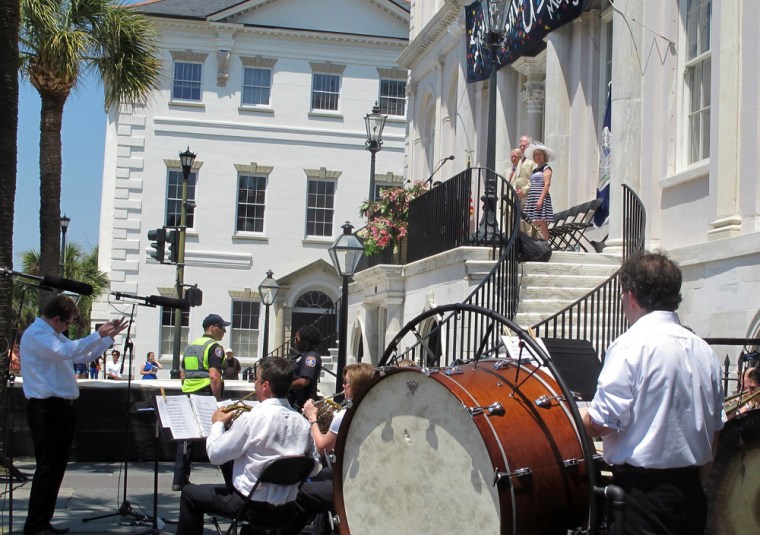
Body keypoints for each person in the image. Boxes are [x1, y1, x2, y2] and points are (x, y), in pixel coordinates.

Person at [582, 252, 724, 535]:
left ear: (631, 296)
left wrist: (576, 415)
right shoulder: (705, 351)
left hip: (642, 499)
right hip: (691, 494)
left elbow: (601, 423)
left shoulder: (630, 346)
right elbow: (715, 430)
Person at [20, 295, 127, 535]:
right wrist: (97, 334)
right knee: (47, 467)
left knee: (56, 468)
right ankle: (35, 524)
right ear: (57, 319)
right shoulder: (38, 334)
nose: (67, 328)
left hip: (60, 407)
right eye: (67, 323)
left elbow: (80, 356)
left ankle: (42, 522)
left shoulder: (53, 335)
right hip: (46, 408)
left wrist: (107, 338)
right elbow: (68, 349)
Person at [177, 356, 319, 535]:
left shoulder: (251, 419)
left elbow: (215, 454)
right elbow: (313, 468)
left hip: (250, 506)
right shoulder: (303, 423)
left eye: (256, 379)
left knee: (189, 494)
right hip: (286, 509)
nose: (254, 384)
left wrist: (218, 424)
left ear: (265, 385)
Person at [282, 363, 375, 535]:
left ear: (356, 385)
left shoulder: (344, 415)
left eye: (346, 382)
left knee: (299, 492)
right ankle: (322, 523)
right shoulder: (372, 411)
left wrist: (312, 418)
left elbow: (322, 446)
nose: (342, 386)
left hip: (349, 482)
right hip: (358, 472)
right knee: (320, 475)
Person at [173, 313, 229, 491]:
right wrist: (217, 399)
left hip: (188, 393)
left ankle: (179, 479)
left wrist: (187, 389)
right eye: (222, 327)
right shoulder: (214, 347)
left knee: (186, 438)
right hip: (206, 394)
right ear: (212, 327)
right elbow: (214, 375)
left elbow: (182, 374)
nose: (225, 331)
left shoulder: (191, 346)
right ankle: (230, 478)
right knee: (219, 432)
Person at [523, 142, 555, 240]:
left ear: (544, 156)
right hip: (533, 197)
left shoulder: (546, 168)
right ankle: (539, 240)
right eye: (535, 155)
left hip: (541, 197)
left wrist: (541, 199)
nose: (537, 157)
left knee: (542, 221)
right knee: (535, 220)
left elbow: (547, 184)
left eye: (539, 154)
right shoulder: (535, 169)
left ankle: (545, 242)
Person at [288, 325, 323, 411]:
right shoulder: (300, 356)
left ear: (305, 341)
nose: (295, 342)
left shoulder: (311, 357)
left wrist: (282, 386)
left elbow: (304, 382)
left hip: (302, 406)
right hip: (293, 402)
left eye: (297, 339)